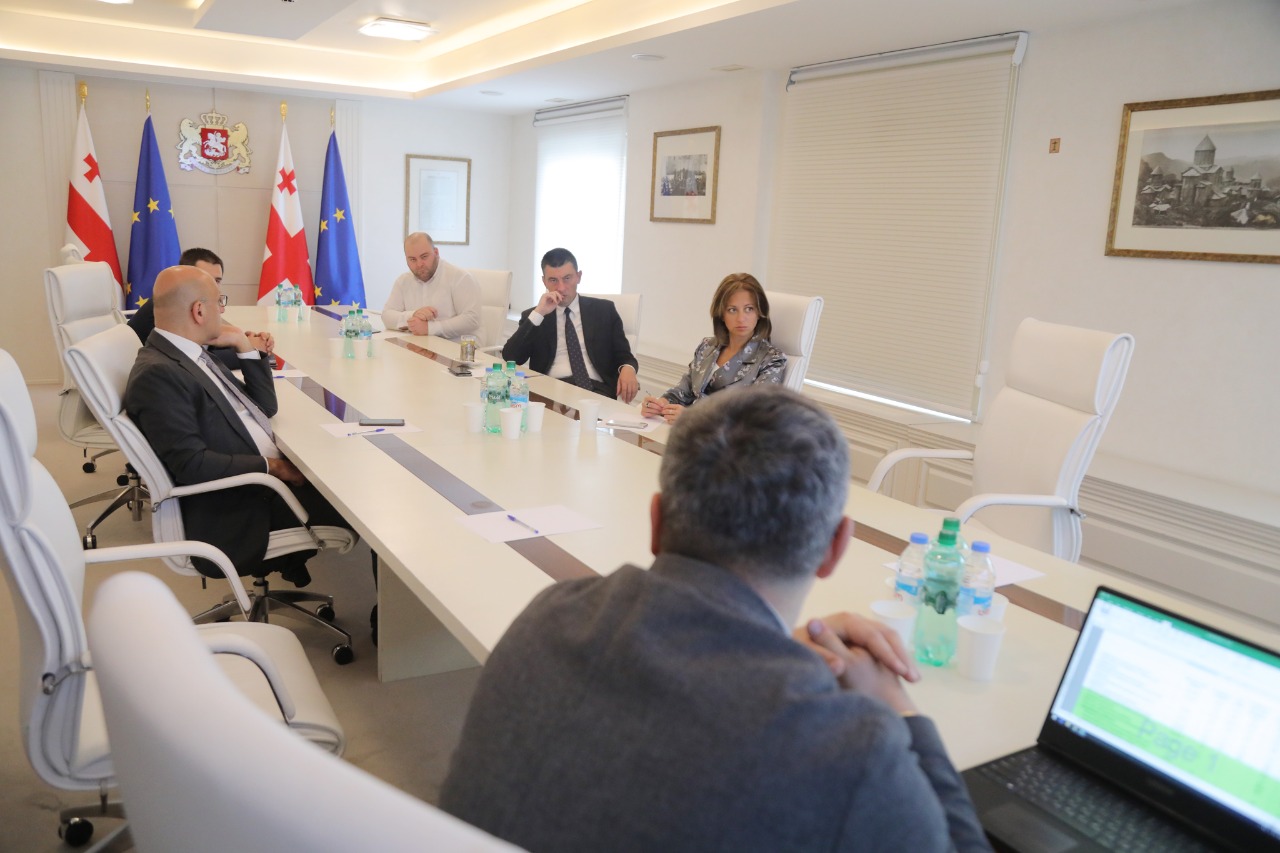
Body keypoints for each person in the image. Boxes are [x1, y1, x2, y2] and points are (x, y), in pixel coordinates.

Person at [439, 385, 989, 852]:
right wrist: (898, 707)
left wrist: (772, 652)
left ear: (656, 522)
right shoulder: (850, 748)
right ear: (835, 548)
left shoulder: (547, 618)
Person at [123, 264, 350, 587]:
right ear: (199, 311)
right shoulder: (160, 374)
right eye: (220, 302)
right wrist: (275, 468)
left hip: (257, 482)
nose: (223, 310)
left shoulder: (187, 353)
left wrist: (244, 346)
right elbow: (191, 464)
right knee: (366, 501)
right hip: (243, 504)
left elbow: (263, 408)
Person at [642, 272, 786, 423]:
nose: (741, 318)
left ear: (759, 312)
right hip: (685, 431)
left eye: (749, 309)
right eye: (732, 310)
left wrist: (693, 416)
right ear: (721, 314)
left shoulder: (772, 359)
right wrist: (661, 404)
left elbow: (754, 416)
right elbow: (685, 389)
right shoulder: (707, 346)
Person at [501, 248, 639, 402]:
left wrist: (628, 369)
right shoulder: (536, 316)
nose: (561, 287)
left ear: (578, 277)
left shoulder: (604, 310)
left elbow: (625, 356)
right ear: (544, 281)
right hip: (550, 391)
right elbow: (511, 357)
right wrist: (539, 313)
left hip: (596, 391)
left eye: (567, 278)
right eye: (553, 280)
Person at [127, 247, 274, 369]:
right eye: (205, 278)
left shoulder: (193, 302)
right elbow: (193, 359)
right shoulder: (171, 306)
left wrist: (244, 340)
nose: (213, 286)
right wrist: (248, 348)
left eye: (217, 280)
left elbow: (210, 344)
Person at [381, 232, 481, 340]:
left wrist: (430, 328)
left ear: (436, 252)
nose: (419, 264)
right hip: (421, 345)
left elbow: (472, 319)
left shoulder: (460, 277)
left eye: (424, 257)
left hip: (457, 347)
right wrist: (413, 315)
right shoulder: (403, 281)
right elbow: (386, 316)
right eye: (413, 259)